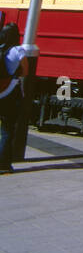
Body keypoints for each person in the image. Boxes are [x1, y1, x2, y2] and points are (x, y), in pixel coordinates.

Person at [0, 22, 31, 175]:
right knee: (7, 129)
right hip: (11, 92)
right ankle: (4, 165)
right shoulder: (18, 50)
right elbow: (25, 72)